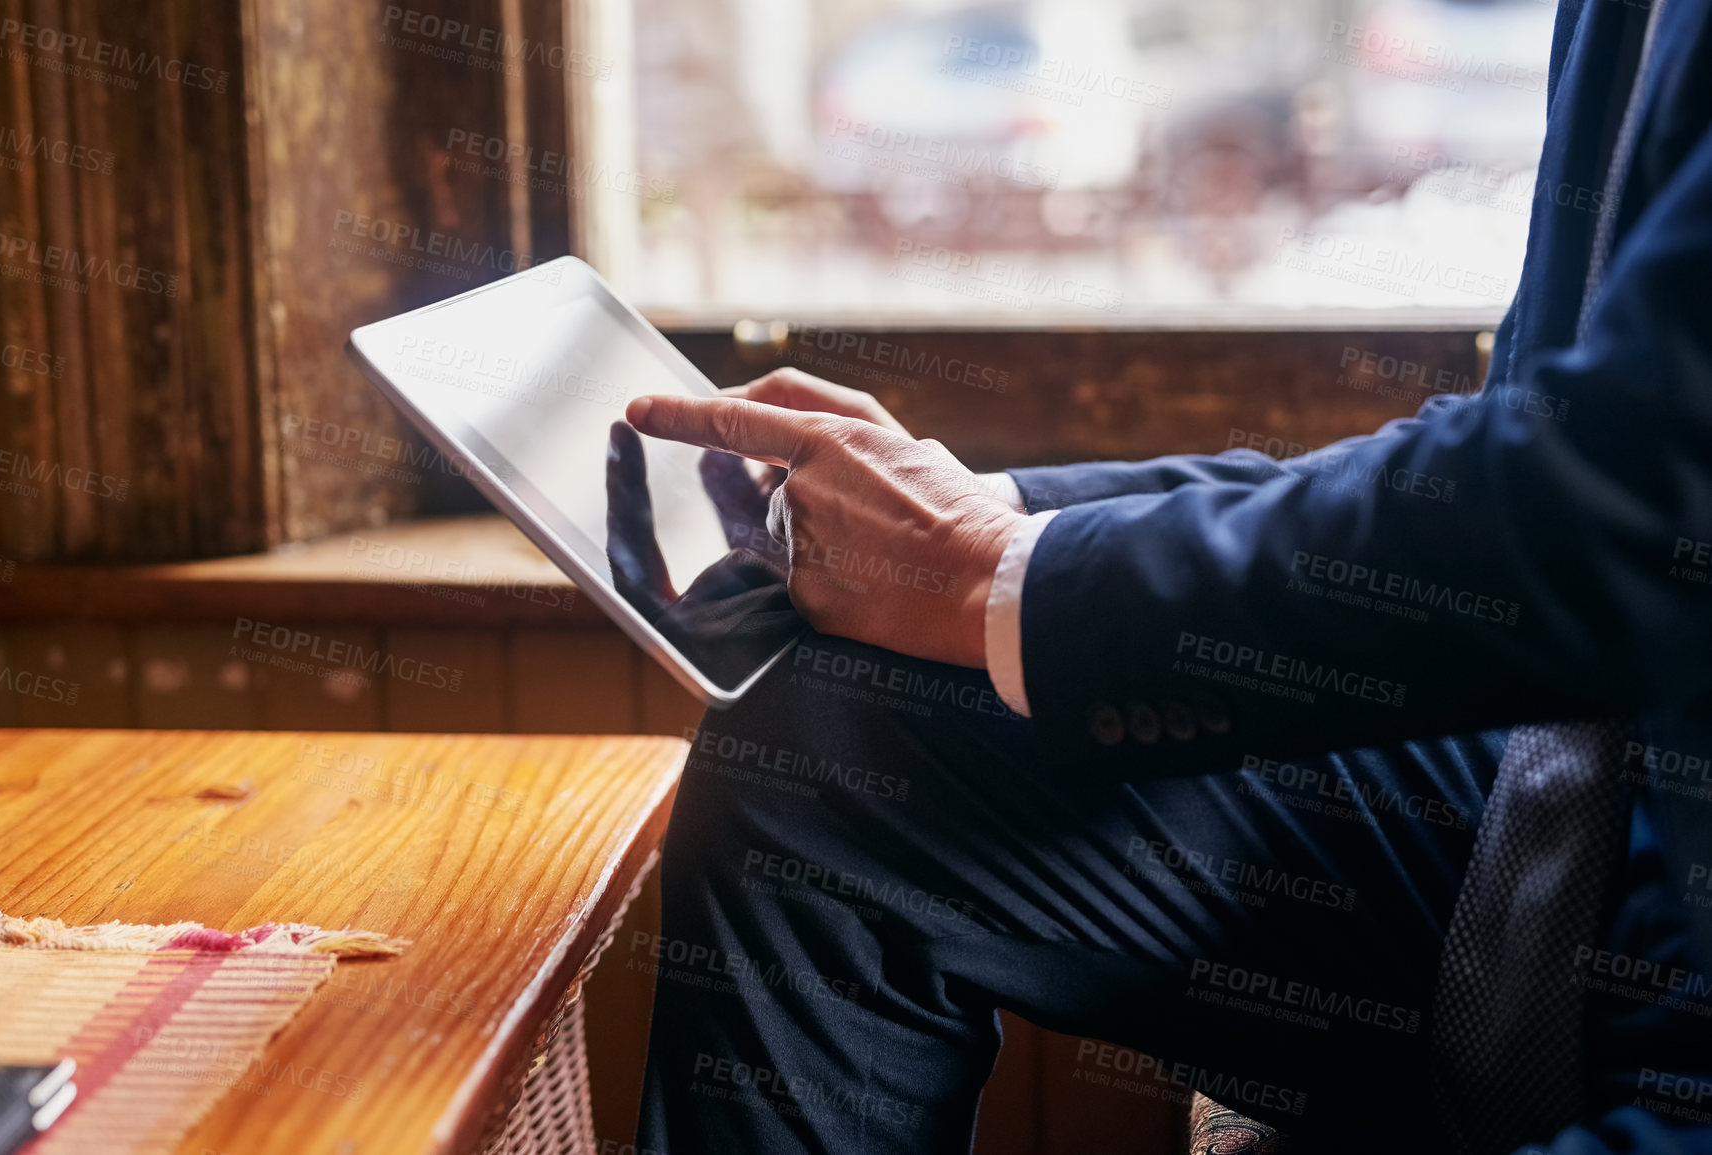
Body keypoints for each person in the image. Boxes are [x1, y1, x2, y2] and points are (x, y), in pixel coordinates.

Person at [624, 0, 1712, 1150]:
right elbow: (1547, 431)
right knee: (829, 748)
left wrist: (1004, 574)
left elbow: (1633, 504)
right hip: (1599, 780)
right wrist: (992, 520)